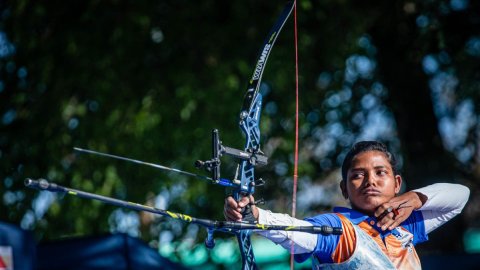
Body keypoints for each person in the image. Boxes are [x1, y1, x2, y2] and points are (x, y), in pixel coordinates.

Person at [224, 141, 470, 269]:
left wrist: (415, 198)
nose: (370, 181)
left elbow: (459, 197)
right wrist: (255, 216)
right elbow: (297, 232)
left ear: (397, 183)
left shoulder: (405, 224)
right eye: (358, 175)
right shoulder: (338, 229)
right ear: (344, 189)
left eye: (380, 172)